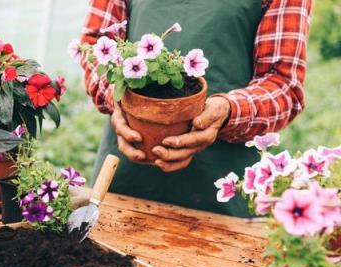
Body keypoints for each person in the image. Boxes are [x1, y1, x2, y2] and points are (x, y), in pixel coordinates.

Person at [79, 0, 312, 217]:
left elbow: (283, 84)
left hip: (222, 187)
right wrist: (117, 97)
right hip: (126, 175)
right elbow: (96, 44)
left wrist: (228, 110)